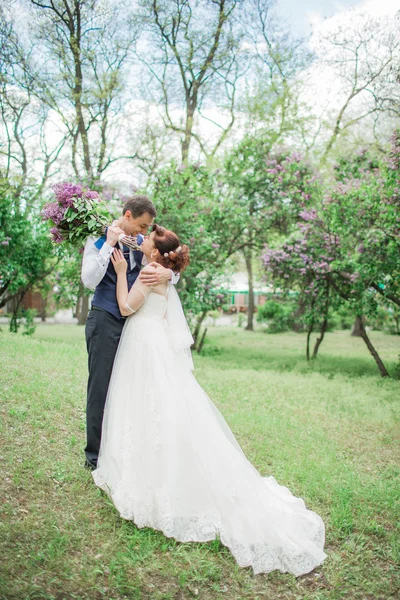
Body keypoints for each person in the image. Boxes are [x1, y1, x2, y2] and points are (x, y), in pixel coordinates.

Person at [92, 225, 327, 576]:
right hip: (152, 340)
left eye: (148, 241)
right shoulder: (164, 271)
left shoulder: (152, 271)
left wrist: (124, 273)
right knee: (159, 408)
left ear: (156, 254)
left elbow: (126, 308)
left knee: (150, 406)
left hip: (144, 342)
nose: (142, 242)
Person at [81, 195, 179, 470]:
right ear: (127, 216)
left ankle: (122, 449)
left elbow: (170, 265)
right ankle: (94, 457)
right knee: (100, 388)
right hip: (106, 319)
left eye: (148, 228)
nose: (144, 232)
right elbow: (88, 280)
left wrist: (168, 276)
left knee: (128, 389)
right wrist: (109, 245)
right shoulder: (98, 239)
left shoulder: (142, 243)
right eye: (142, 225)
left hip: (135, 327)